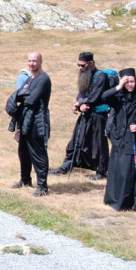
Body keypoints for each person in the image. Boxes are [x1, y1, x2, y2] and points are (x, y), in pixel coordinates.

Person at [50, 51, 110, 180]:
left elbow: (95, 95)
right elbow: (82, 93)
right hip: (86, 114)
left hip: (99, 115)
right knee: (75, 140)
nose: (80, 68)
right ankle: (67, 165)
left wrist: (86, 104)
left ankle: (101, 171)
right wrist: (77, 103)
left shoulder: (101, 77)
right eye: (79, 65)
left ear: (91, 63)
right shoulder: (84, 76)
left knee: (99, 144)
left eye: (82, 65)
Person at [101, 69, 136, 211]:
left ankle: (133, 203)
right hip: (119, 140)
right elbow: (104, 96)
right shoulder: (118, 98)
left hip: (135, 140)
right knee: (117, 171)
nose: (130, 84)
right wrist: (119, 86)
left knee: (130, 173)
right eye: (127, 82)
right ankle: (114, 199)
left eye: (132, 81)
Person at [10, 51, 52, 196]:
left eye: (34, 61)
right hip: (25, 120)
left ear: (40, 62)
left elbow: (32, 99)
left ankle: (42, 186)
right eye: (29, 61)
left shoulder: (43, 78)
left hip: (37, 121)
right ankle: (25, 180)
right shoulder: (30, 78)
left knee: (38, 153)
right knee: (23, 152)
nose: (31, 63)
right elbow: (22, 94)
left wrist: (22, 97)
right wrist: (21, 96)